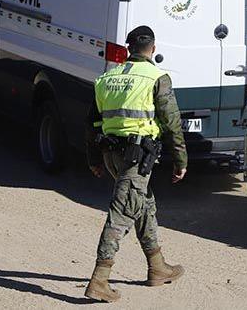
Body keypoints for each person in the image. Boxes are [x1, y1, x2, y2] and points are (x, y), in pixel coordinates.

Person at [83, 25, 187, 303]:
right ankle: (99, 279)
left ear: (129, 49)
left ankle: (158, 266)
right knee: (123, 212)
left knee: (142, 204)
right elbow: (171, 122)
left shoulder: (107, 76)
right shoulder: (156, 76)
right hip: (137, 156)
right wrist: (181, 160)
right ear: (153, 49)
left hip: (111, 154)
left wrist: (94, 159)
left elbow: (92, 123)